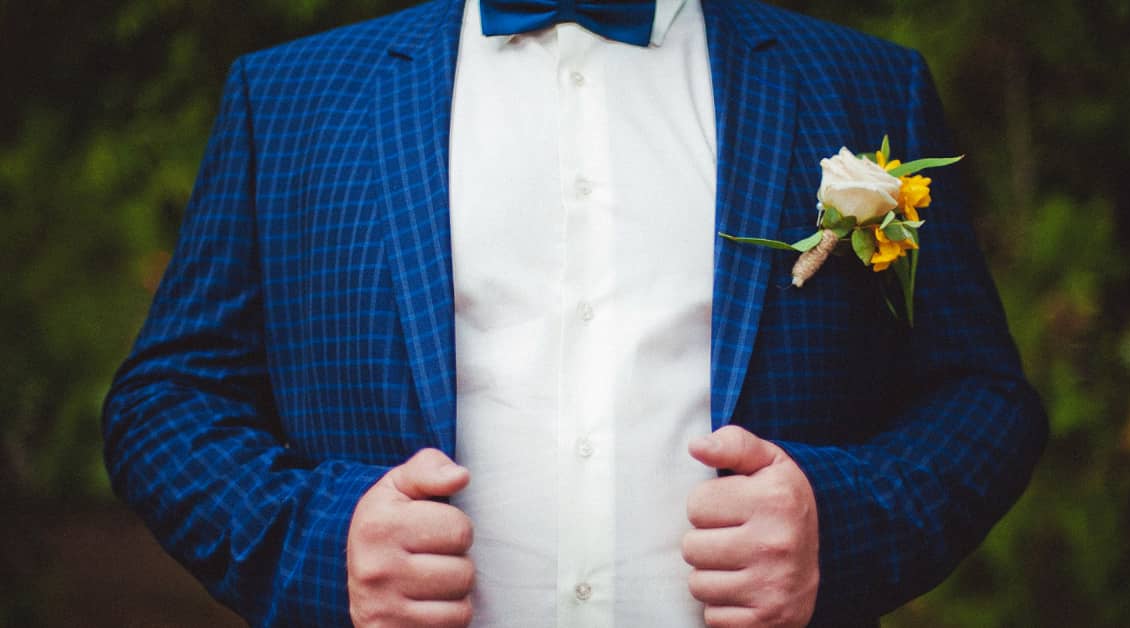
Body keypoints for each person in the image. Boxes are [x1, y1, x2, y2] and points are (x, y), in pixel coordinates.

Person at [102, 0, 1048, 626]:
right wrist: (321, 544)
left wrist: (839, 528)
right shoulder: (292, 99)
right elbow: (166, 402)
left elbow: (981, 398)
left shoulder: (863, 84)